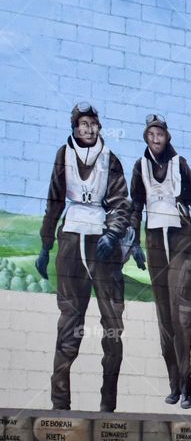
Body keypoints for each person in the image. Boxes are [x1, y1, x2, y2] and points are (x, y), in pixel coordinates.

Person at [36, 102, 130, 412]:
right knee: (69, 321)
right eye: (82, 124)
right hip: (71, 240)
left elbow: (120, 203)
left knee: (112, 323)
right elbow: (54, 201)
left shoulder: (110, 160)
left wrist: (113, 233)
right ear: (74, 128)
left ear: (99, 127)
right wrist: (46, 244)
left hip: (102, 243)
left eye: (92, 124)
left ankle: (108, 404)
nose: (87, 129)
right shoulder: (63, 156)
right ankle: (60, 402)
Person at [129, 114, 191, 410]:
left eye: (159, 133)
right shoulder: (140, 167)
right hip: (154, 246)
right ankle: (173, 385)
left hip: (180, 244)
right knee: (164, 320)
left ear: (167, 136)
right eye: (150, 133)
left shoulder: (180, 164)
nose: (155, 138)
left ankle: (187, 385)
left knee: (182, 317)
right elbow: (135, 206)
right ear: (146, 137)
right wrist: (133, 240)